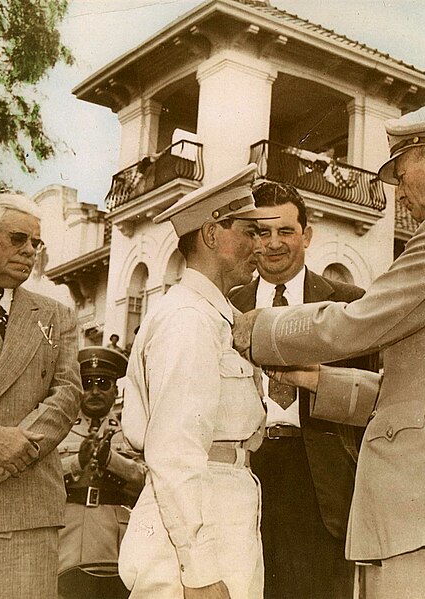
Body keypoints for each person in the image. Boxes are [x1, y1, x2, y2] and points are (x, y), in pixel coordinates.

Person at [233, 120, 425, 598]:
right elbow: (414, 390)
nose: (398, 191)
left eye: (402, 171)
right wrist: (317, 381)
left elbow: (360, 321)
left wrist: (262, 329)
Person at [117, 164, 272, 599]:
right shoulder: (188, 320)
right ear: (211, 234)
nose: (258, 246)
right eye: (249, 232)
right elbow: (176, 452)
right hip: (192, 527)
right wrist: (199, 569)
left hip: (215, 509)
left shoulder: (210, 313)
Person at [229, 181, 375, 599]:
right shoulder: (225, 305)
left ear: (307, 235)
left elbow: (366, 402)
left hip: (321, 482)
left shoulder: (348, 304)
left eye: (285, 231)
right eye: (260, 232)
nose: (273, 244)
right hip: (245, 470)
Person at [0, 193, 82, 598]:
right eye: (18, 238)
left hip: (25, 506)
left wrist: (15, 450)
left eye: (35, 244)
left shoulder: (55, 314)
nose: (29, 252)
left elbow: (68, 393)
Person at [57, 346, 146, 576]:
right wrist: (78, 461)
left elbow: (147, 482)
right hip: (67, 534)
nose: (95, 391)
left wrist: (110, 460)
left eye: (103, 383)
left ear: (115, 390)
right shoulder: (58, 429)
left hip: (117, 539)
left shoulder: (133, 430)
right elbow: (40, 479)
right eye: (87, 384)